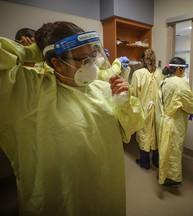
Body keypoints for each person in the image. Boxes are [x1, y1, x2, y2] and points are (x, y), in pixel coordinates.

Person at [0, 21, 144, 216]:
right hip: (63, 198)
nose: (90, 65)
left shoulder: (102, 89)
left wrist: (124, 100)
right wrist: (32, 51)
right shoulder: (31, 93)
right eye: (80, 59)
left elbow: (132, 126)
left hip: (106, 186)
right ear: (56, 63)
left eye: (92, 57)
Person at [158, 57, 193, 186]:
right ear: (179, 69)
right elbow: (191, 103)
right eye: (183, 69)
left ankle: (164, 174)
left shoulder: (165, 81)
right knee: (174, 150)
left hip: (165, 119)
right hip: (175, 122)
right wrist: (192, 110)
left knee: (165, 149)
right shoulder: (180, 83)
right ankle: (173, 178)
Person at [130, 48, 163, 170]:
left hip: (144, 109)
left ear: (142, 59)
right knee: (156, 133)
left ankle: (145, 162)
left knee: (144, 133)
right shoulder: (160, 73)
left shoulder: (138, 74)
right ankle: (156, 160)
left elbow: (133, 93)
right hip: (159, 110)